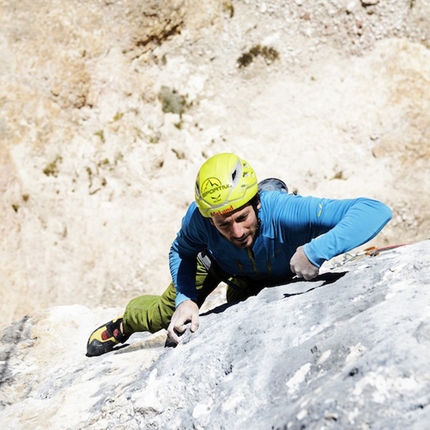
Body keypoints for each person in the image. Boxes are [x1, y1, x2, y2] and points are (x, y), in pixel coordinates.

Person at [86, 152, 392, 356]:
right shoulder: (199, 218)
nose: (236, 232)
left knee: (242, 306)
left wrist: (316, 251)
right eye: (223, 223)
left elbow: (373, 210)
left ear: (257, 203)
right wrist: (186, 300)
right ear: (210, 219)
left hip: (264, 276)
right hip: (217, 263)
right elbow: (182, 249)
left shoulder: (285, 211)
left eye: (242, 217)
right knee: (166, 315)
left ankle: (238, 289)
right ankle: (124, 324)